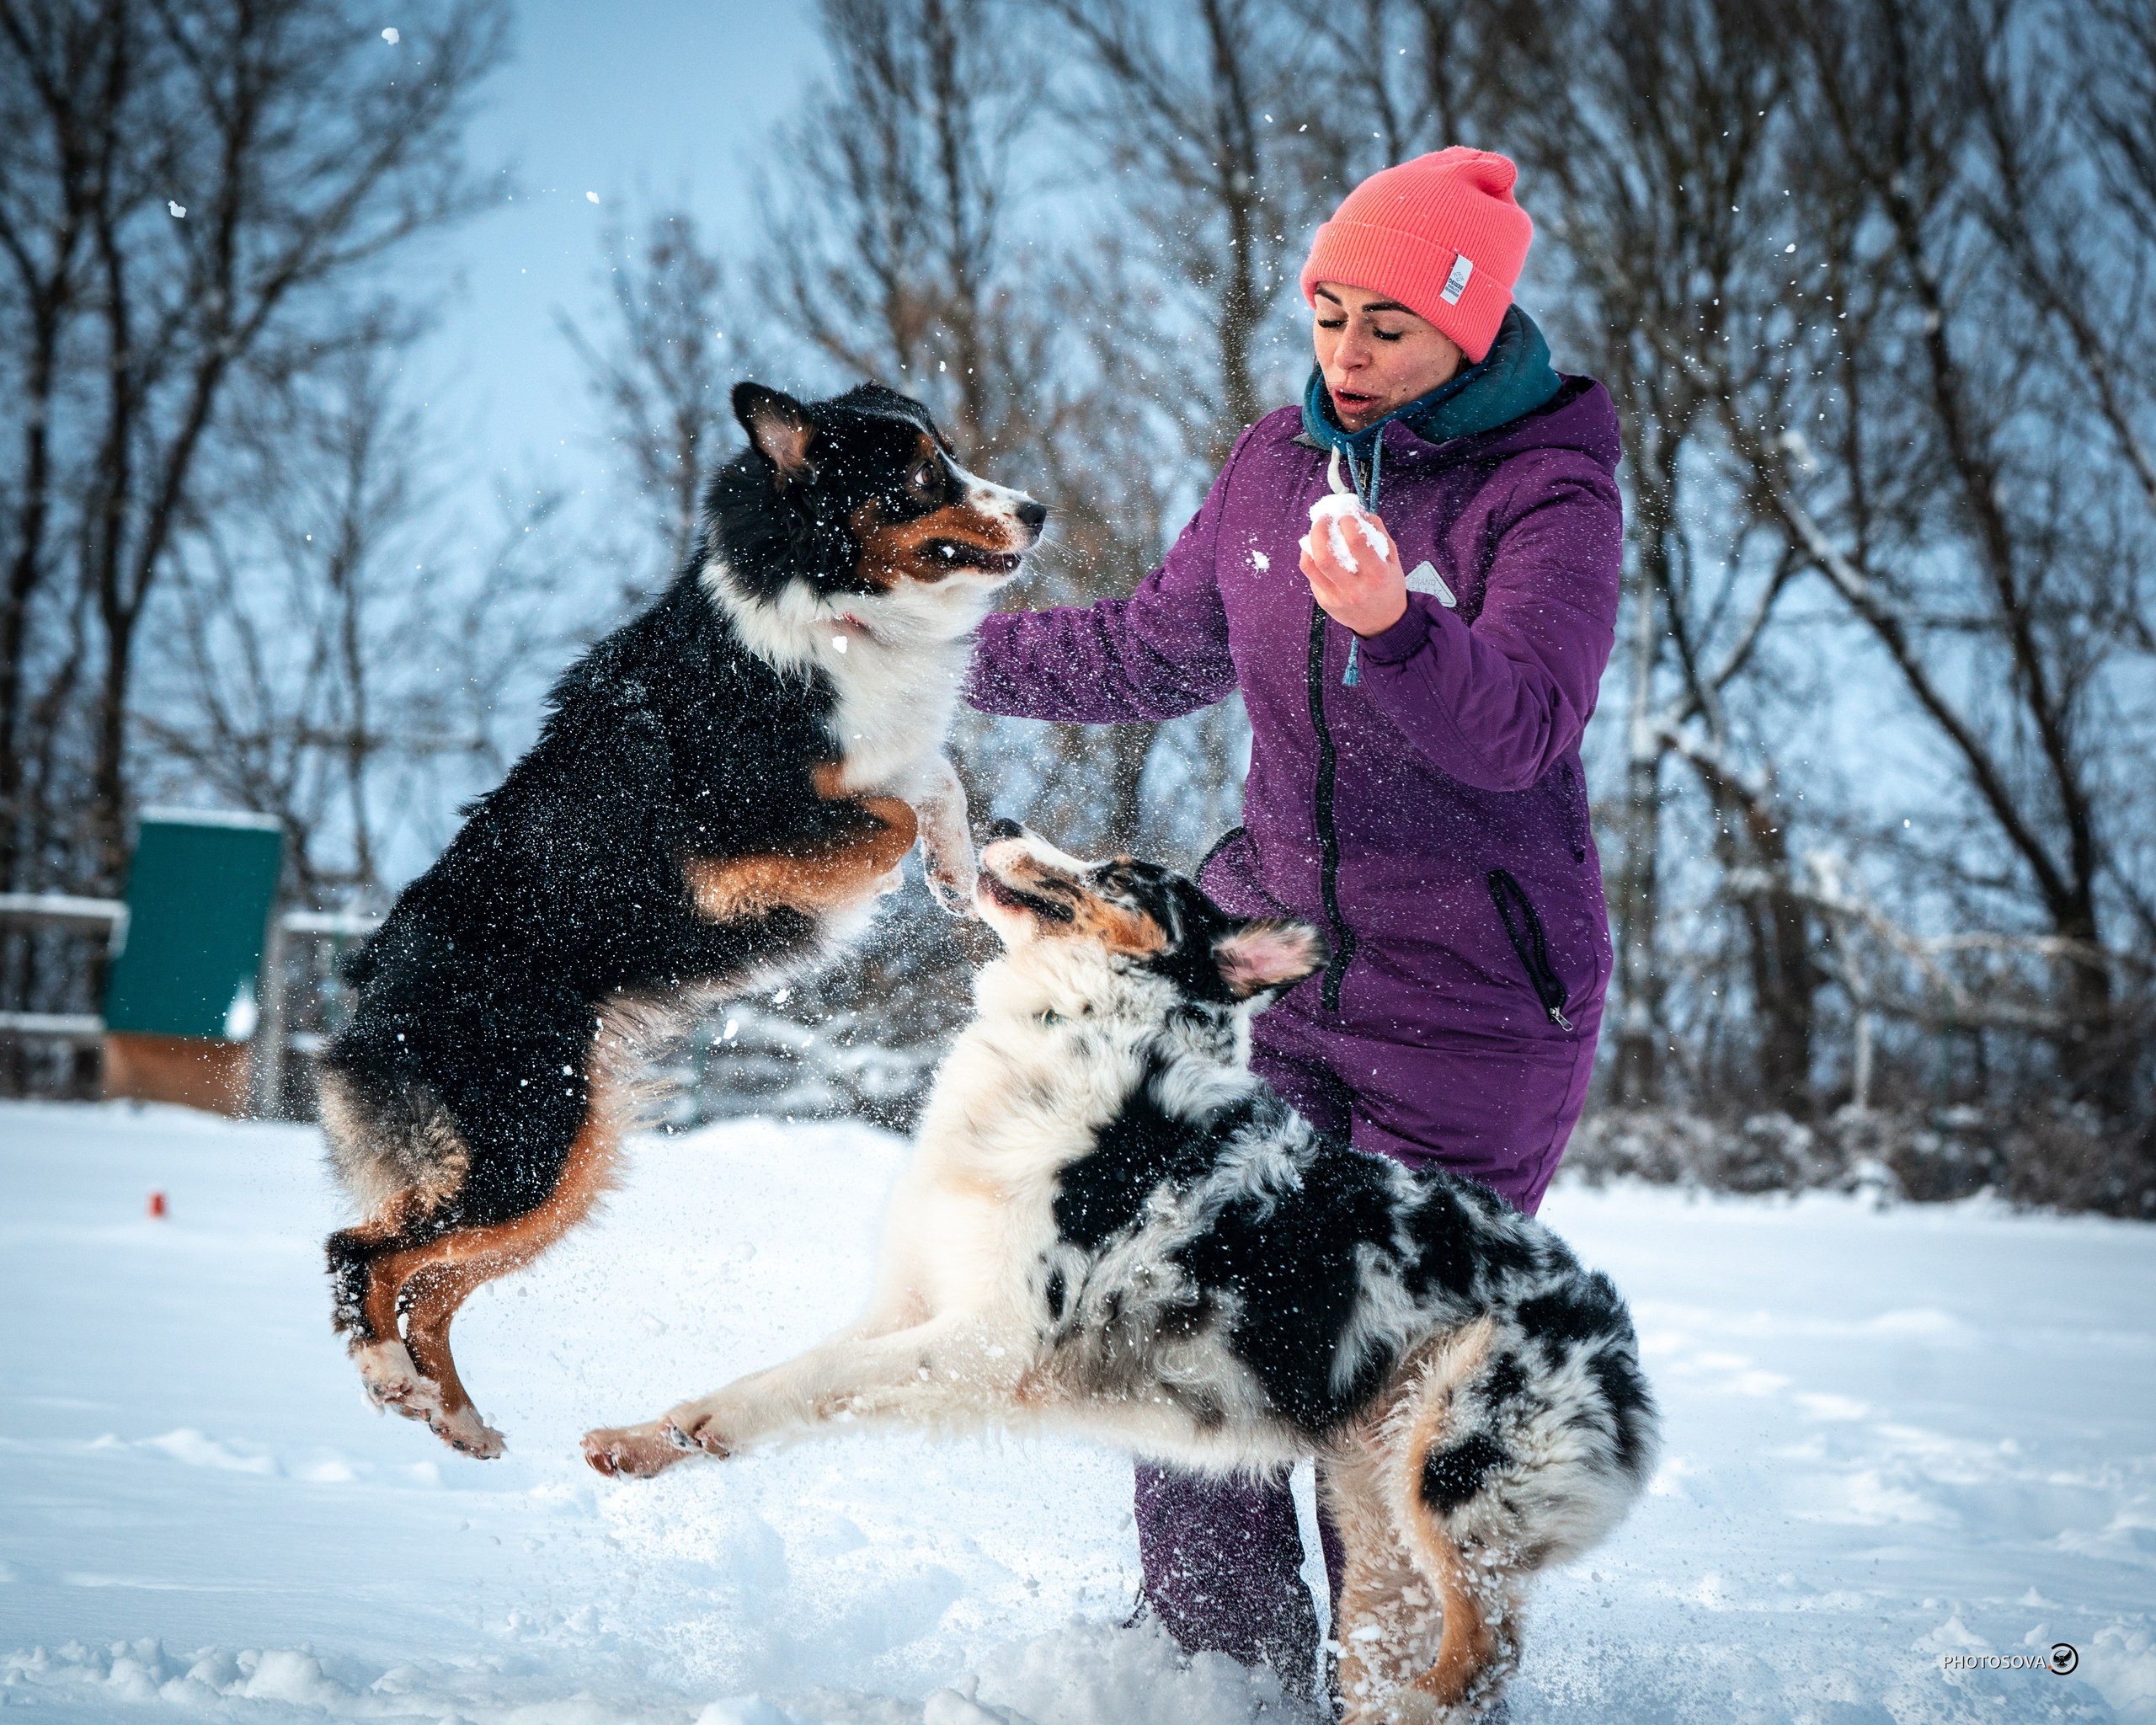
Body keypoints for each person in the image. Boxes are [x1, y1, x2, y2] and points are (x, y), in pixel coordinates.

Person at [963, 147, 1624, 1686]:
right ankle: (1219, 1690)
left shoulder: (1551, 495)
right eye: (1327, 310)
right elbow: (1151, 651)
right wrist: (936, 649)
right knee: (1192, 1347)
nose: (1347, 350)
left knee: (1386, 1399)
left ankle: (1406, 1701)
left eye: (1388, 322)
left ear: (1473, 323)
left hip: (1473, 1015)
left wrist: (1395, 626)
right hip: (1273, 983)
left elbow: (1521, 726)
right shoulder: (1279, 463)